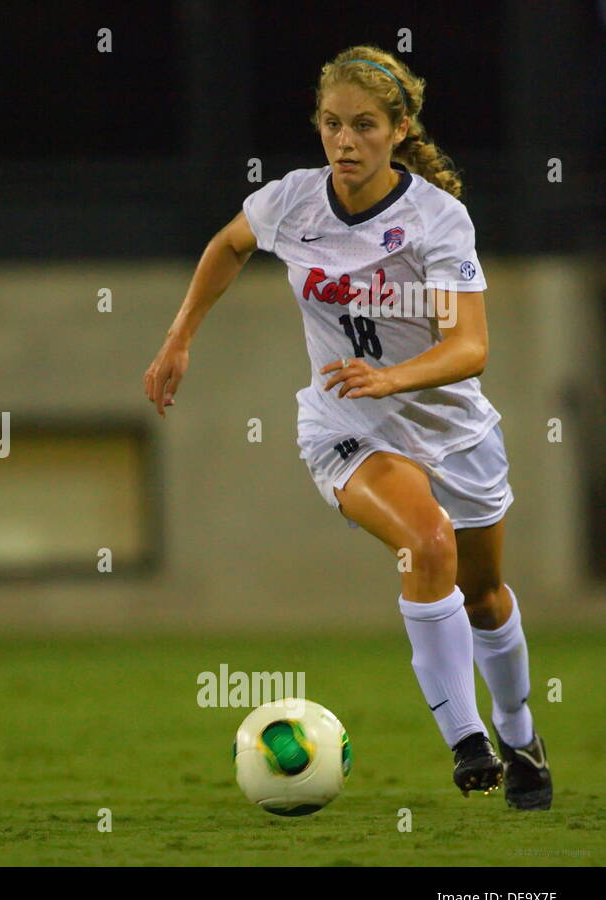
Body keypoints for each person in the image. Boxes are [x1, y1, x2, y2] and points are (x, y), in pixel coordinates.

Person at [143, 46, 551, 809]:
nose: (346, 141)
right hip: (347, 426)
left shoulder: (436, 219)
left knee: (485, 593)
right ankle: (468, 742)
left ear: (399, 130)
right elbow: (229, 244)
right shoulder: (292, 202)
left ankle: (521, 731)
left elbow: (471, 347)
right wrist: (180, 336)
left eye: (365, 125)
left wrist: (394, 376)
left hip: (451, 429)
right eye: (332, 124)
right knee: (424, 542)